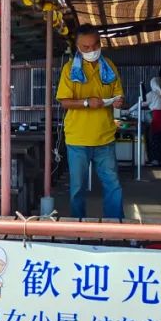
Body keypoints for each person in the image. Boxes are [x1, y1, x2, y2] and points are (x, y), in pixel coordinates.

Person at [56, 25, 125, 219]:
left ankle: (116, 225)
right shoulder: (70, 69)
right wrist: (87, 102)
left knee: (113, 185)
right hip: (77, 138)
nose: (90, 50)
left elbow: (118, 94)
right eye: (85, 47)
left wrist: (118, 100)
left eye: (94, 45)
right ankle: (78, 226)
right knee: (77, 188)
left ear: (100, 43)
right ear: (77, 47)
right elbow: (64, 102)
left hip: (105, 136)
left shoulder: (109, 66)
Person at [131, 70, 161, 167]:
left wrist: (129, 111)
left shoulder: (152, 94)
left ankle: (155, 160)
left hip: (157, 119)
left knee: (155, 139)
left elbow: (140, 103)